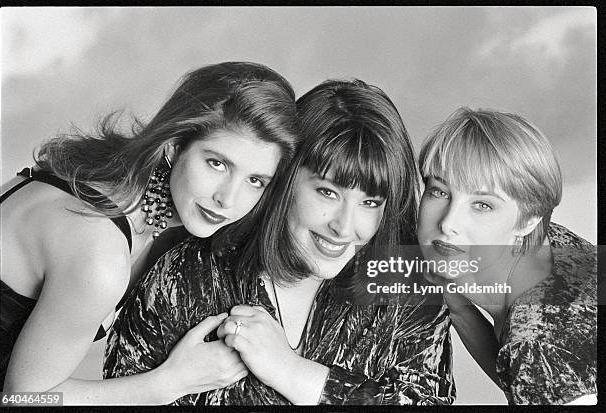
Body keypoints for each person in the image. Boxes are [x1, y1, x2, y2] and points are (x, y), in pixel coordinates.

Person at [104, 79, 456, 405]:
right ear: (284, 179)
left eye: (369, 203)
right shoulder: (185, 277)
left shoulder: (408, 292)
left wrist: (293, 372)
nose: (344, 227)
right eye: (327, 192)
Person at [0, 61, 301, 404]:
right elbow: (22, 400)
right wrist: (169, 383)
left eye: (255, 181)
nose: (228, 199)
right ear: (173, 146)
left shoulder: (103, 178)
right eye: (217, 163)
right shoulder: (99, 253)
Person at [416, 107, 597, 405]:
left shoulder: (539, 349)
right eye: (439, 191)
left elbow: (532, 365)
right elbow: (518, 377)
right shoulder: (551, 242)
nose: (448, 223)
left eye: (483, 205)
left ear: (529, 220)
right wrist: (458, 306)